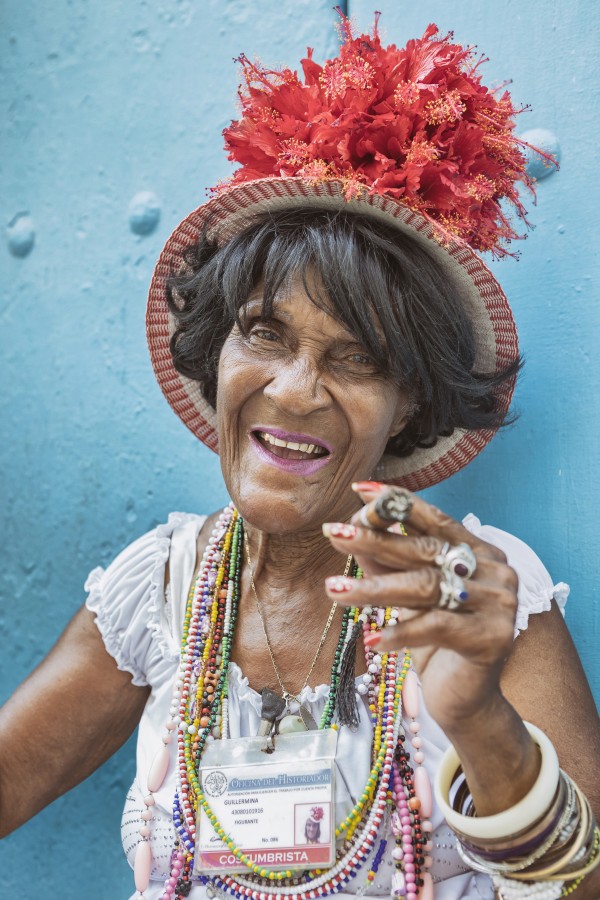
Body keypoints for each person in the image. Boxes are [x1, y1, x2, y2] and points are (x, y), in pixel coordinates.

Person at [1, 13, 599, 900]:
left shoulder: (484, 596)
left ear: (409, 406)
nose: (293, 390)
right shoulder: (161, 587)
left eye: (358, 357)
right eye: (264, 333)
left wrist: (479, 720)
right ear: (218, 352)